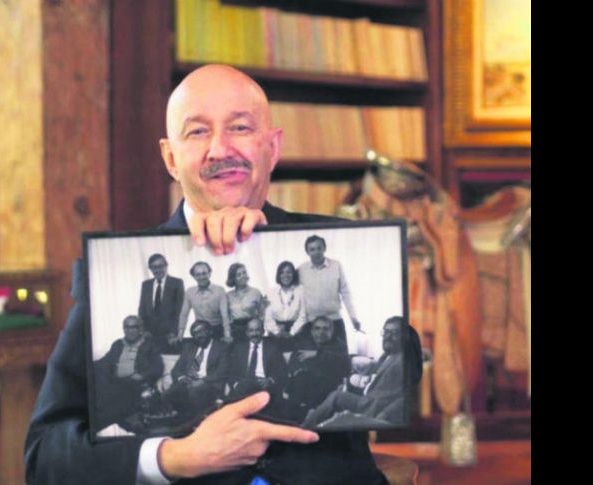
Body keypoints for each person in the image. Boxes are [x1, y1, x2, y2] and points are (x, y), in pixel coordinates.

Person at [25, 64, 422, 485]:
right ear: (170, 158)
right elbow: (44, 457)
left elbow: (404, 377)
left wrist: (266, 247)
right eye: (197, 131)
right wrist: (174, 457)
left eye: (240, 128)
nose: (220, 149)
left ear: (273, 147)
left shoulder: (340, 246)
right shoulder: (111, 269)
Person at [302, 316, 408, 428]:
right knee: (336, 396)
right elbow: (380, 374)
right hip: (367, 398)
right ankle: (312, 421)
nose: (388, 337)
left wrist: (385, 413)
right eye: (386, 332)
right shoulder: (389, 354)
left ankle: (305, 427)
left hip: (374, 406)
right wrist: (371, 366)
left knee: (336, 397)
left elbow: (406, 397)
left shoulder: (404, 360)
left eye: (394, 333)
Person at [93, 315, 164, 430]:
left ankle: (105, 424)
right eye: (127, 327)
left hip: (135, 383)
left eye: (133, 327)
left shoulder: (149, 345)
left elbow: (158, 367)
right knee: (98, 388)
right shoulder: (118, 344)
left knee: (113, 400)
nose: (129, 330)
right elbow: (106, 361)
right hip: (115, 381)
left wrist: (142, 376)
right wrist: (88, 366)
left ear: (140, 329)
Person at [297, 234, 361, 357]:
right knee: (311, 360)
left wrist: (353, 318)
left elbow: (345, 293)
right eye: (312, 249)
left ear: (324, 248)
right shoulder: (301, 269)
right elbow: (294, 296)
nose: (316, 252)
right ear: (307, 252)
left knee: (339, 358)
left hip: (334, 321)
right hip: (311, 323)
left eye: (319, 248)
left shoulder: (336, 265)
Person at [283, 316, 351, 423]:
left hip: (325, 389)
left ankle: (303, 417)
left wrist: (317, 354)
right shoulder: (304, 344)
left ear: (332, 331)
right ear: (312, 330)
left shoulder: (339, 346)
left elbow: (344, 364)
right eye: (317, 328)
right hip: (301, 388)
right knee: (300, 379)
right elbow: (292, 365)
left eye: (325, 329)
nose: (321, 332)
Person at [166, 320, 230, 417]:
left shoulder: (221, 347)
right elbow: (176, 370)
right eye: (195, 333)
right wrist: (182, 378)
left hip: (210, 384)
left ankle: (197, 421)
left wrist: (203, 381)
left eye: (201, 331)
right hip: (188, 382)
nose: (199, 335)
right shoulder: (189, 348)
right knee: (169, 393)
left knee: (194, 393)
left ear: (210, 331)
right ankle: (179, 422)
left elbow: (222, 371)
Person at [225, 318, 287, 414]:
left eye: (257, 330)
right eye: (251, 331)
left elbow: (282, 370)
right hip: (243, 386)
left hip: (264, 385)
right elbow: (230, 370)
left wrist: (270, 380)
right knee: (243, 389)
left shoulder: (273, 347)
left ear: (263, 331)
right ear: (247, 333)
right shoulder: (239, 348)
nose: (254, 334)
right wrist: (235, 384)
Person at [138, 253, 185, 354]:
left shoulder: (176, 283)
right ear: (150, 269)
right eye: (154, 267)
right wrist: (143, 331)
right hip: (149, 335)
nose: (157, 270)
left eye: (160, 266)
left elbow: (180, 311)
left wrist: (174, 332)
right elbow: (142, 310)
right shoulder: (146, 285)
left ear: (166, 266)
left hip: (169, 335)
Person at [177, 262, 231, 342]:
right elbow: (184, 315)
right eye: (198, 274)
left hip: (217, 330)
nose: (201, 277)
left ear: (209, 273)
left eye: (204, 273)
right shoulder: (189, 292)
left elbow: (225, 315)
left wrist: (227, 335)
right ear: (194, 276)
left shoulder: (220, 290)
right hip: (199, 331)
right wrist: (180, 335)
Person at [263, 261, 307, 338]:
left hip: (296, 332)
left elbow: (303, 316)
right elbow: (268, 317)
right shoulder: (270, 292)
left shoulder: (300, 291)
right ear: (278, 275)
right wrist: (277, 332)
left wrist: (292, 333)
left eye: (288, 272)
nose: (285, 275)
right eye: (282, 272)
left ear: (293, 274)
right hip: (275, 332)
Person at [224, 262, 265, 342]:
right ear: (233, 278)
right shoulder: (228, 295)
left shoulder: (255, 292)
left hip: (252, 329)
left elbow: (262, 314)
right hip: (236, 330)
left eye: (244, 272)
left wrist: (259, 328)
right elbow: (226, 317)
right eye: (238, 275)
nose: (243, 276)